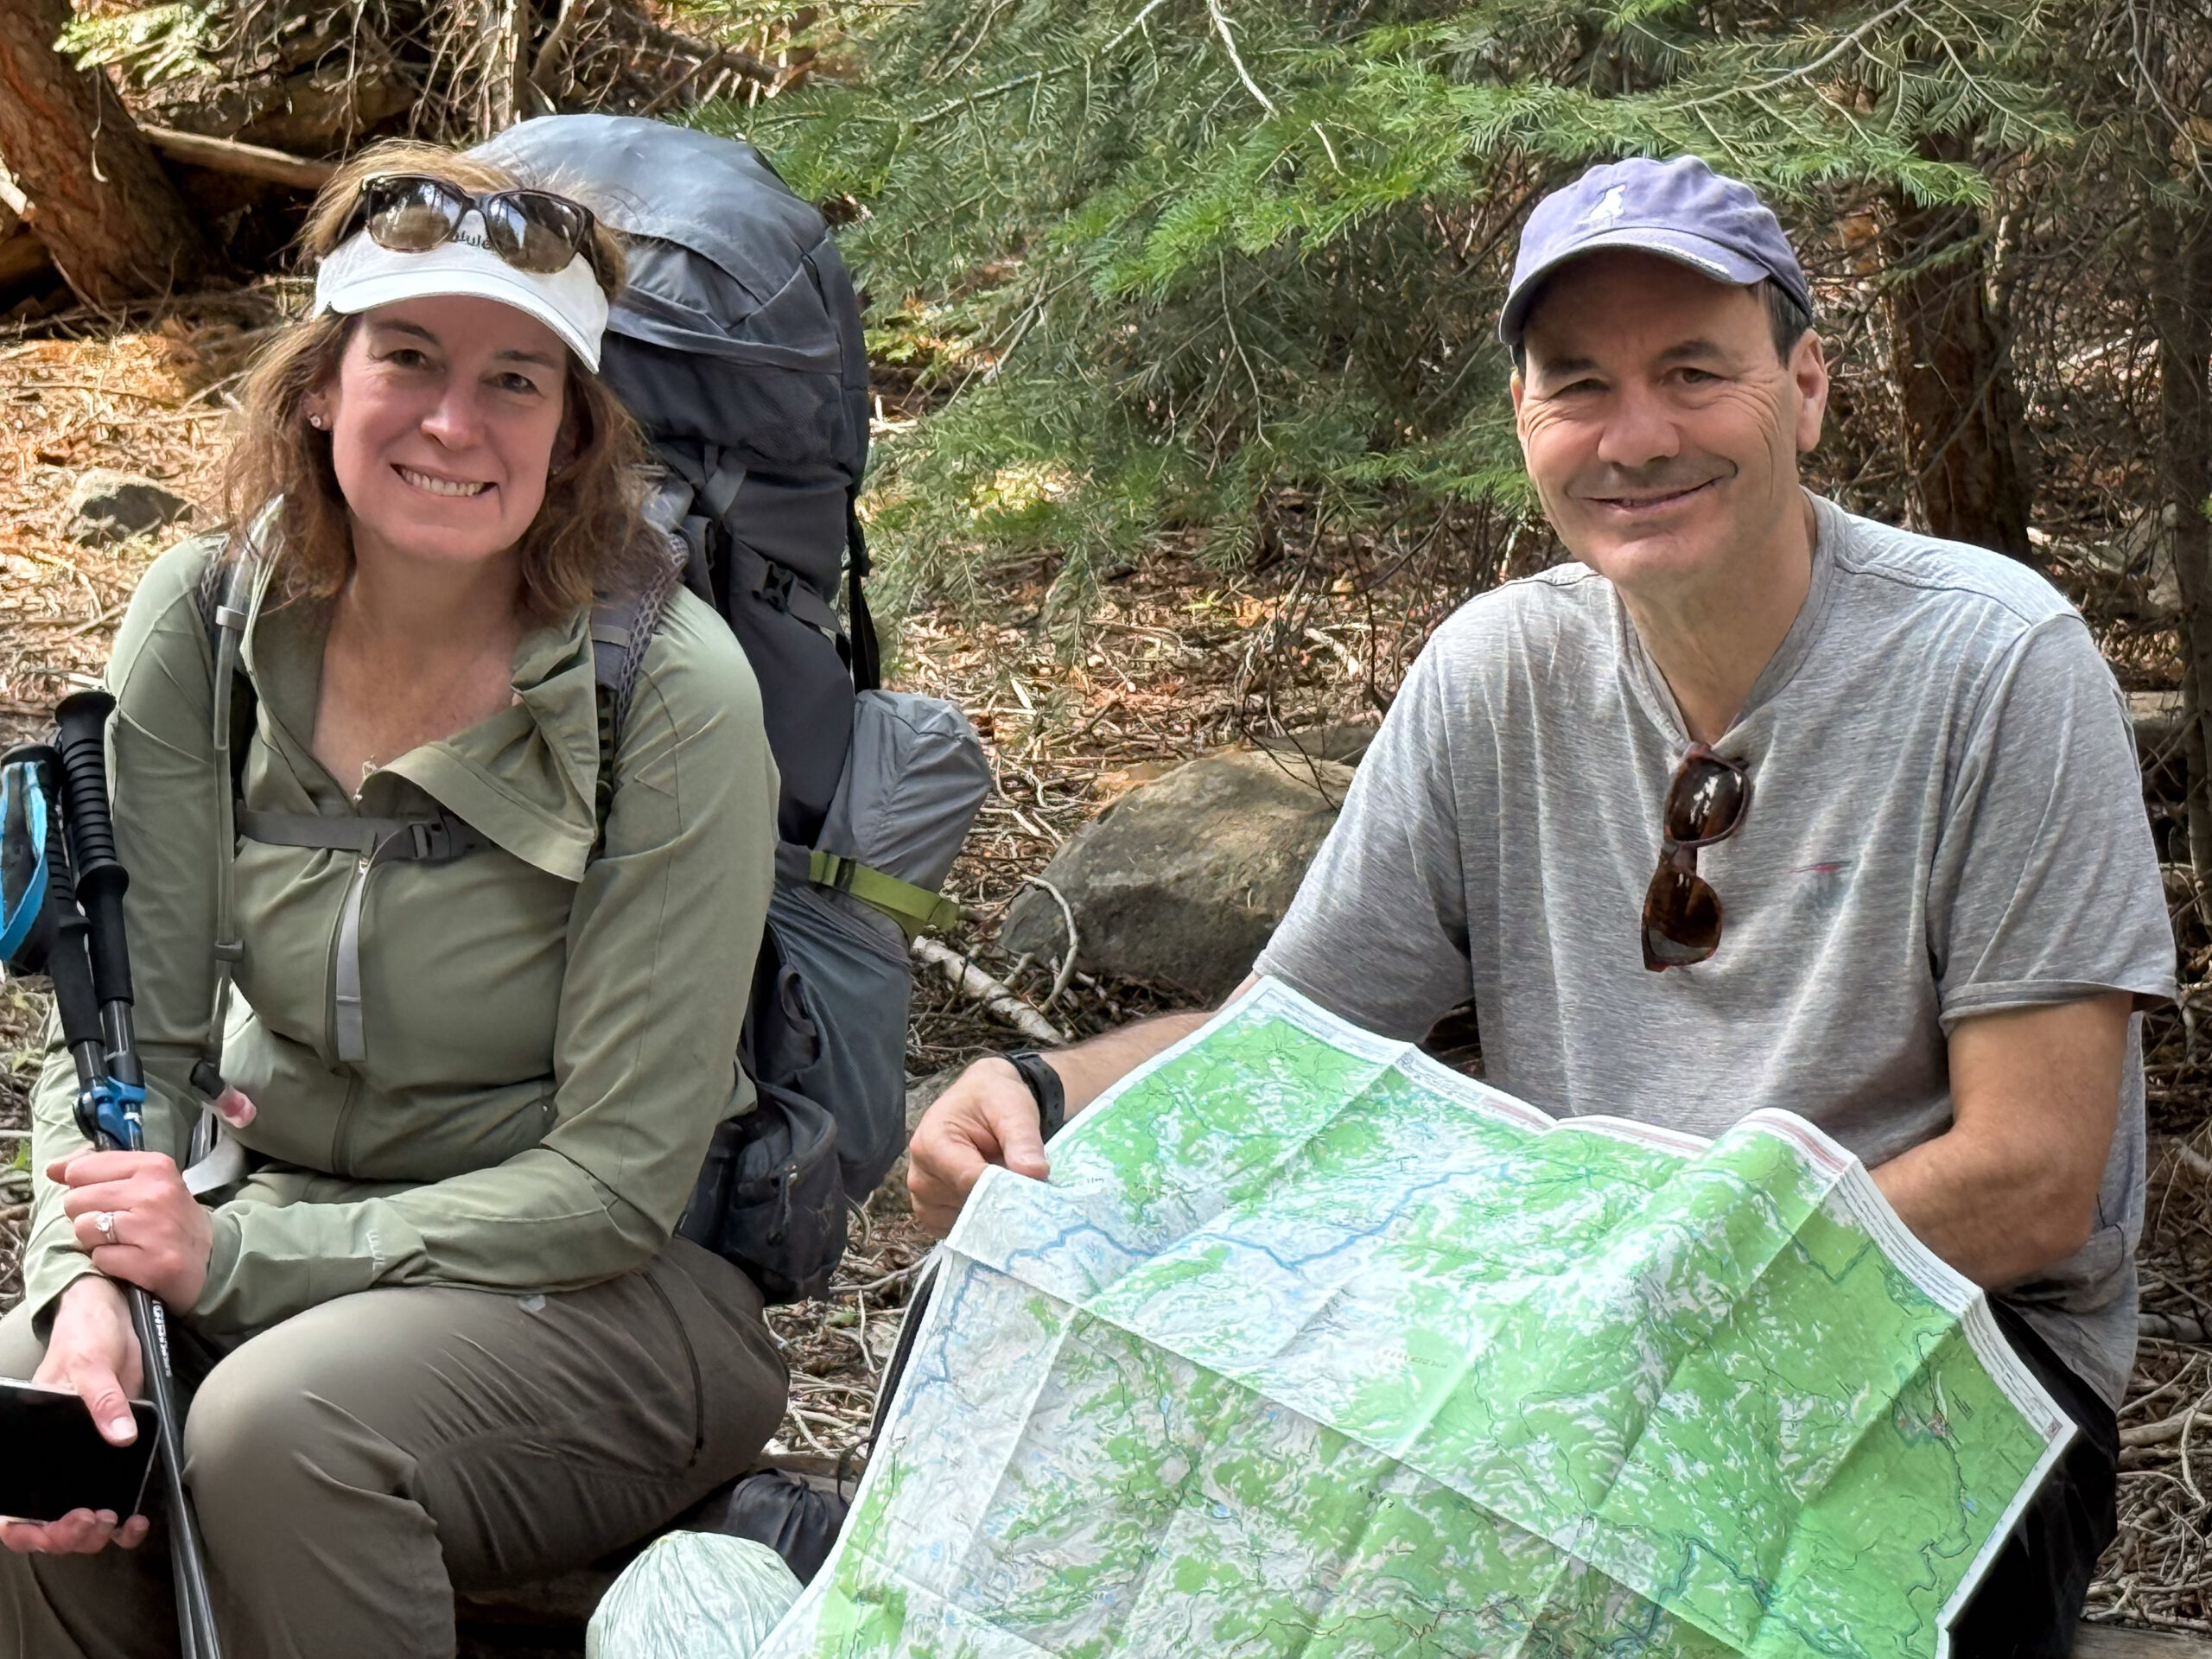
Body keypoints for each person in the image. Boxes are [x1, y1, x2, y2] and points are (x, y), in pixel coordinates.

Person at [909, 156, 2174, 1656]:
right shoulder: (1497, 671)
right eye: (1579, 387)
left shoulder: (1992, 665)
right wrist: (1043, 1093)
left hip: (1944, 1355)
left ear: (1808, 387)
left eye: (1695, 372)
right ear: (1526, 424)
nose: (1635, 438)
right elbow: (1286, 1051)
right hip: (1565, 1350)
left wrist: (1630, 1307)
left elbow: (2032, 1177)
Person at [0, 140, 787, 1659]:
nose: (451, 420)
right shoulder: (210, 616)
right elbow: (132, 1044)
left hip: (612, 1294)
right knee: (48, 1421)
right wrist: (80, 1289)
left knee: (278, 1431)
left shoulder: (667, 692)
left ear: (571, 433)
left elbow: (619, 1178)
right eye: (408, 357)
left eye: (516, 381)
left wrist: (235, 1264)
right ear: (318, 383)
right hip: (273, 1206)